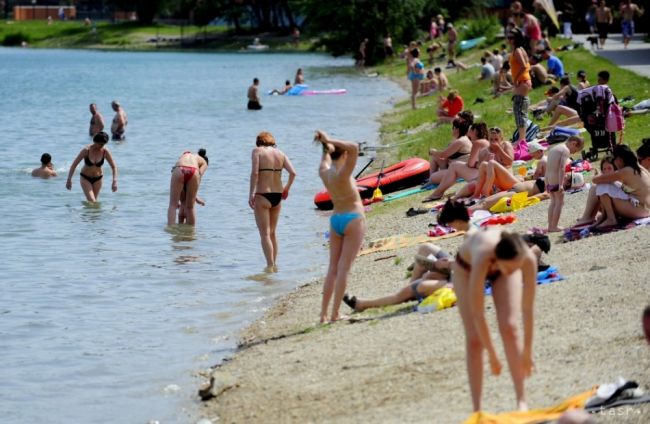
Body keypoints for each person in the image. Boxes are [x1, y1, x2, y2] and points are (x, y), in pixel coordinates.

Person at [454, 228, 537, 412]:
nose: (512, 273)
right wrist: (492, 355)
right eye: (509, 269)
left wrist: (527, 351)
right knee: (475, 340)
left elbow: (528, 309)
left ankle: (521, 401)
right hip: (466, 268)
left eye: (515, 269)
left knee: (510, 327)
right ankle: (477, 409)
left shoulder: (525, 259)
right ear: (497, 259)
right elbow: (478, 313)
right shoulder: (483, 255)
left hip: (506, 261)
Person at [342, 200, 471, 313]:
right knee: (426, 251)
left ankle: (363, 304)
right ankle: (411, 286)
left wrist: (448, 265)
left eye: (450, 224)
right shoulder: (472, 232)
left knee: (423, 281)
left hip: (462, 280)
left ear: (457, 221)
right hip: (457, 271)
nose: (451, 228)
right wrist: (449, 263)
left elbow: (473, 270)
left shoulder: (470, 237)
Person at [314, 130, 365, 323]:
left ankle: (323, 315)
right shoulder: (344, 174)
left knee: (332, 268)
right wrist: (329, 140)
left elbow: (326, 157)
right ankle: (335, 314)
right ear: (343, 154)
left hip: (335, 220)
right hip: (353, 218)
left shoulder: (325, 173)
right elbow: (354, 147)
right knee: (344, 269)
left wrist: (325, 145)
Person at [248, 132, 297, 271]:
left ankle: (270, 266)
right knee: (273, 233)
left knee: (264, 234)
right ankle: (274, 264)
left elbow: (255, 173)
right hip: (277, 195)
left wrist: (251, 193)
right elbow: (293, 173)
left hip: (263, 195)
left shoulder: (257, 151)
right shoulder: (280, 153)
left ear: (259, 142)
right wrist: (286, 189)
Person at [424, 123, 491, 201]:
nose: (468, 133)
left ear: (475, 131)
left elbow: (470, 164)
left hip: (481, 176)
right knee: (454, 166)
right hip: (486, 173)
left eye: (470, 130)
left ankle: (437, 193)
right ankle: (437, 193)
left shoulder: (476, 143)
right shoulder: (485, 142)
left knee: (454, 166)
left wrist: (433, 152)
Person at [591, 144, 650, 227]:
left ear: (619, 159)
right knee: (611, 185)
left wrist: (601, 175)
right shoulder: (639, 168)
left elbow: (595, 180)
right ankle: (605, 216)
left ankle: (610, 218)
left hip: (640, 209)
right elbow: (630, 190)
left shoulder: (626, 171)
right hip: (645, 208)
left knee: (602, 186)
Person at [546, 136, 584, 232]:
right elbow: (562, 168)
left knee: (553, 202)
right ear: (574, 143)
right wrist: (561, 184)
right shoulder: (565, 150)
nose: (573, 153)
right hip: (556, 179)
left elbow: (548, 167)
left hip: (549, 178)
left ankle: (550, 225)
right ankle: (554, 226)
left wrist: (546, 182)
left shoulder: (554, 148)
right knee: (559, 202)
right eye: (575, 150)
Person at [65, 131, 118, 202]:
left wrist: (114, 181)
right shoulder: (86, 150)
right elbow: (74, 165)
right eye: (100, 144)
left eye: (104, 144)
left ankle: (88, 213)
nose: (102, 146)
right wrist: (69, 180)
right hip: (85, 178)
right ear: (95, 141)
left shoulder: (105, 152)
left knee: (94, 202)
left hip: (98, 179)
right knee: (92, 201)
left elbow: (114, 167)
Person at [167, 149, 209, 226]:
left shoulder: (185, 155)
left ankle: (171, 228)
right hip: (194, 171)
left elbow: (173, 170)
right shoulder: (204, 162)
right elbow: (199, 175)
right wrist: (195, 197)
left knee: (173, 204)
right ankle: (191, 233)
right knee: (190, 207)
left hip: (179, 169)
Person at [508, 28, 532, 144]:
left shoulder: (517, 50)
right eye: (508, 37)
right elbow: (527, 65)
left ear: (516, 39)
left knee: (518, 109)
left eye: (511, 38)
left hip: (522, 81)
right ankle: (522, 137)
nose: (509, 40)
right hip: (524, 81)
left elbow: (523, 66)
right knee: (521, 108)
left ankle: (522, 139)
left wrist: (516, 79)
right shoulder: (521, 49)